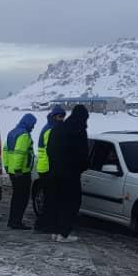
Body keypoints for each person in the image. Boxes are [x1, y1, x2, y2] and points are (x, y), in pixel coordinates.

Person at [47, 104, 89, 243]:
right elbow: (83, 154)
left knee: (58, 201)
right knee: (71, 202)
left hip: (54, 172)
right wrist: (80, 168)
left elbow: (50, 150)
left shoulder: (58, 128)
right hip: (70, 174)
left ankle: (55, 231)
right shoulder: (78, 130)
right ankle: (64, 233)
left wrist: (55, 166)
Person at [2, 113, 37, 229]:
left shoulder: (12, 132)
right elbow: (20, 153)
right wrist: (18, 169)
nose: (33, 127)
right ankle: (16, 222)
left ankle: (12, 220)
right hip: (21, 172)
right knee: (22, 197)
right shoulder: (24, 135)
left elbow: (5, 150)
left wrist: (7, 166)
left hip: (13, 171)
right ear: (28, 123)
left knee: (16, 196)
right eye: (32, 124)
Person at [34, 105, 66, 232]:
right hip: (47, 167)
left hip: (46, 166)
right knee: (50, 198)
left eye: (63, 116)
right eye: (60, 116)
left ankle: (44, 223)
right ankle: (45, 224)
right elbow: (52, 149)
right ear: (53, 116)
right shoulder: (50, 130)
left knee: (49, 198)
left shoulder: (50, 128)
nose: (62, 119)